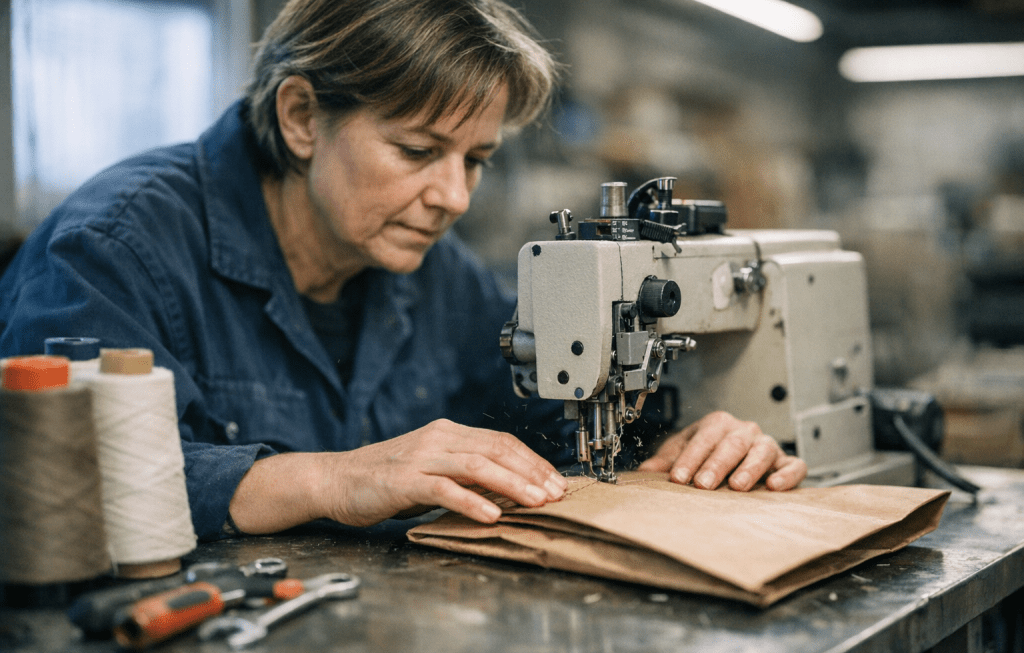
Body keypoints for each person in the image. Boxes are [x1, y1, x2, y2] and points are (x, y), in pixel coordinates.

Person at [0, 0, 806, 542]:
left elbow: (550, 411)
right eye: (419, 151)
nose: (453, 196)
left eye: (477, 159)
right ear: (303, 116)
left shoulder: (434, 274)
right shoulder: (115, 248)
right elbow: (56, 490)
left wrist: (680, 440)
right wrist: (329, 479)